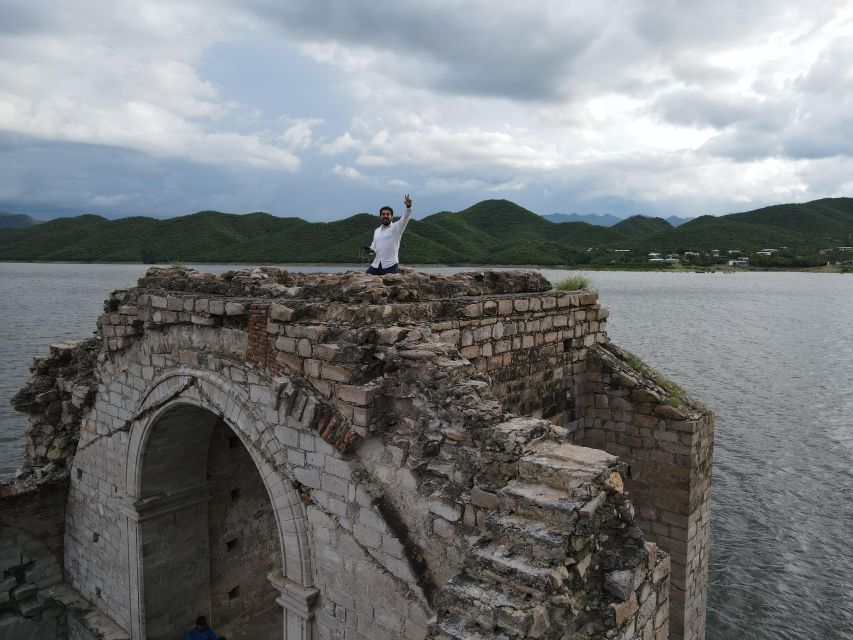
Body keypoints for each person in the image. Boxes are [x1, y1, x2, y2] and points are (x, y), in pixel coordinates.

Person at [364, 194, 413, 275]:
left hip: (390, 265)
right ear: (380, 216)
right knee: (365, 280)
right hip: (376, 264)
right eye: (383, 214)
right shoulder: (377, 231)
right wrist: (368, 251)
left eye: (388, 214)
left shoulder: (396, 227)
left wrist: (408, 207)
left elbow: (405, 218)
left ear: (391, 216)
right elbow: (374, 247)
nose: (385, 216)